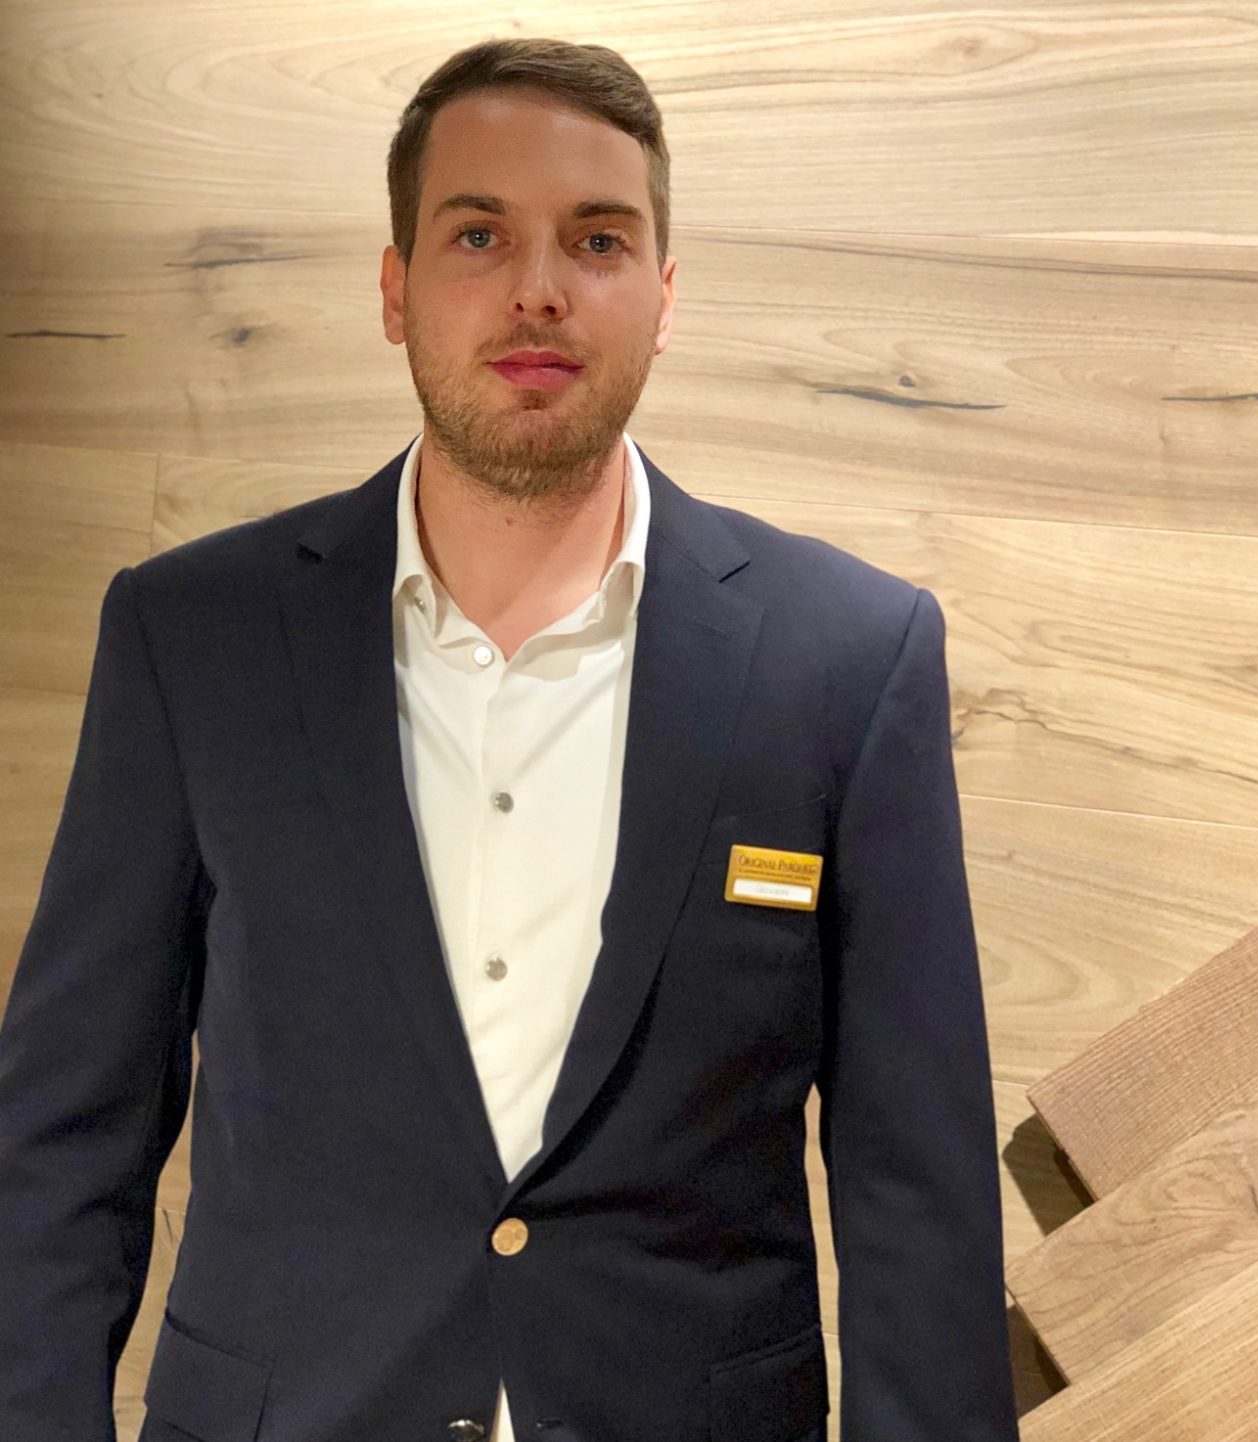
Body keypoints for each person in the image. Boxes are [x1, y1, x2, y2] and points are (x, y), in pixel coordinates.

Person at [0, 35, 1019, 1442]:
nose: (541, 287)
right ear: (395, 288)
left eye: (598, 239)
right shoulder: (195, 638)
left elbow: (918, 1194)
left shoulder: (847, 657)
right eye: (479, 234)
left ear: (664, 297)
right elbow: (62, 1148)